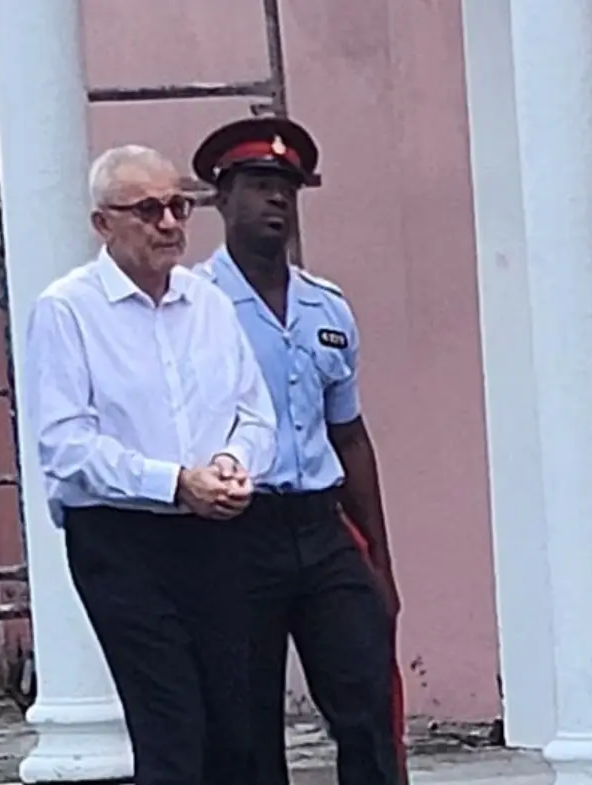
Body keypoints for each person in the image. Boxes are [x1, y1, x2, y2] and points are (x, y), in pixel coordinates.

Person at [23, 144, 277, 785]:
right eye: (147, 210)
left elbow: (255, 413)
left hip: (217, 530)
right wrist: (172, 484)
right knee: (171, 725)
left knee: (236, 728)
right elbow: (65, 442)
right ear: (103, 224)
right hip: (122, 538)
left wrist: (230, 463)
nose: (168, 224)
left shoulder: (209, 303)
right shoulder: (67, 310)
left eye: (177, 206)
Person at [191, 118, 404, 785]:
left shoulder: (325, 307)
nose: (275, 201)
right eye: (258, 186)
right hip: (234, 532)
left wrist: (378, 560)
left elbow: (349, 435)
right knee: (246, 726)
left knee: (365, 702)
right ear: (222, 199)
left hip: (319, 526)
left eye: (285, 187)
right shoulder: (192, 307)